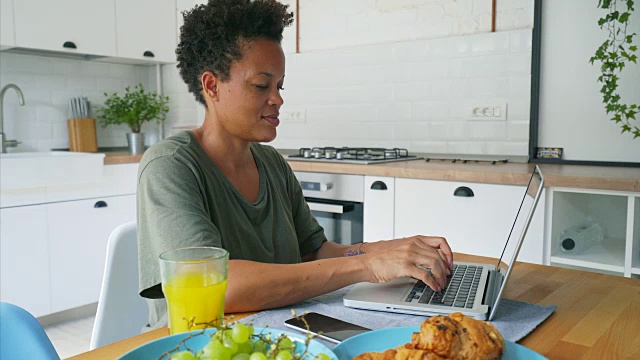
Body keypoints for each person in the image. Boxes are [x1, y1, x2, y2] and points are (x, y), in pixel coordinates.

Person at [137, 0, 453, 331]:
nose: (277, 99)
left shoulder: (272, 163)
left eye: (279, 86)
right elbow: (217, 286)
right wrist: (369, 265)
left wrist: (396, 251)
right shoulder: (170, 166)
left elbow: (314, 253)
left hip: (282, 333)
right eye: (262, 85)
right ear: (212, 86)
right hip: (199, 345)